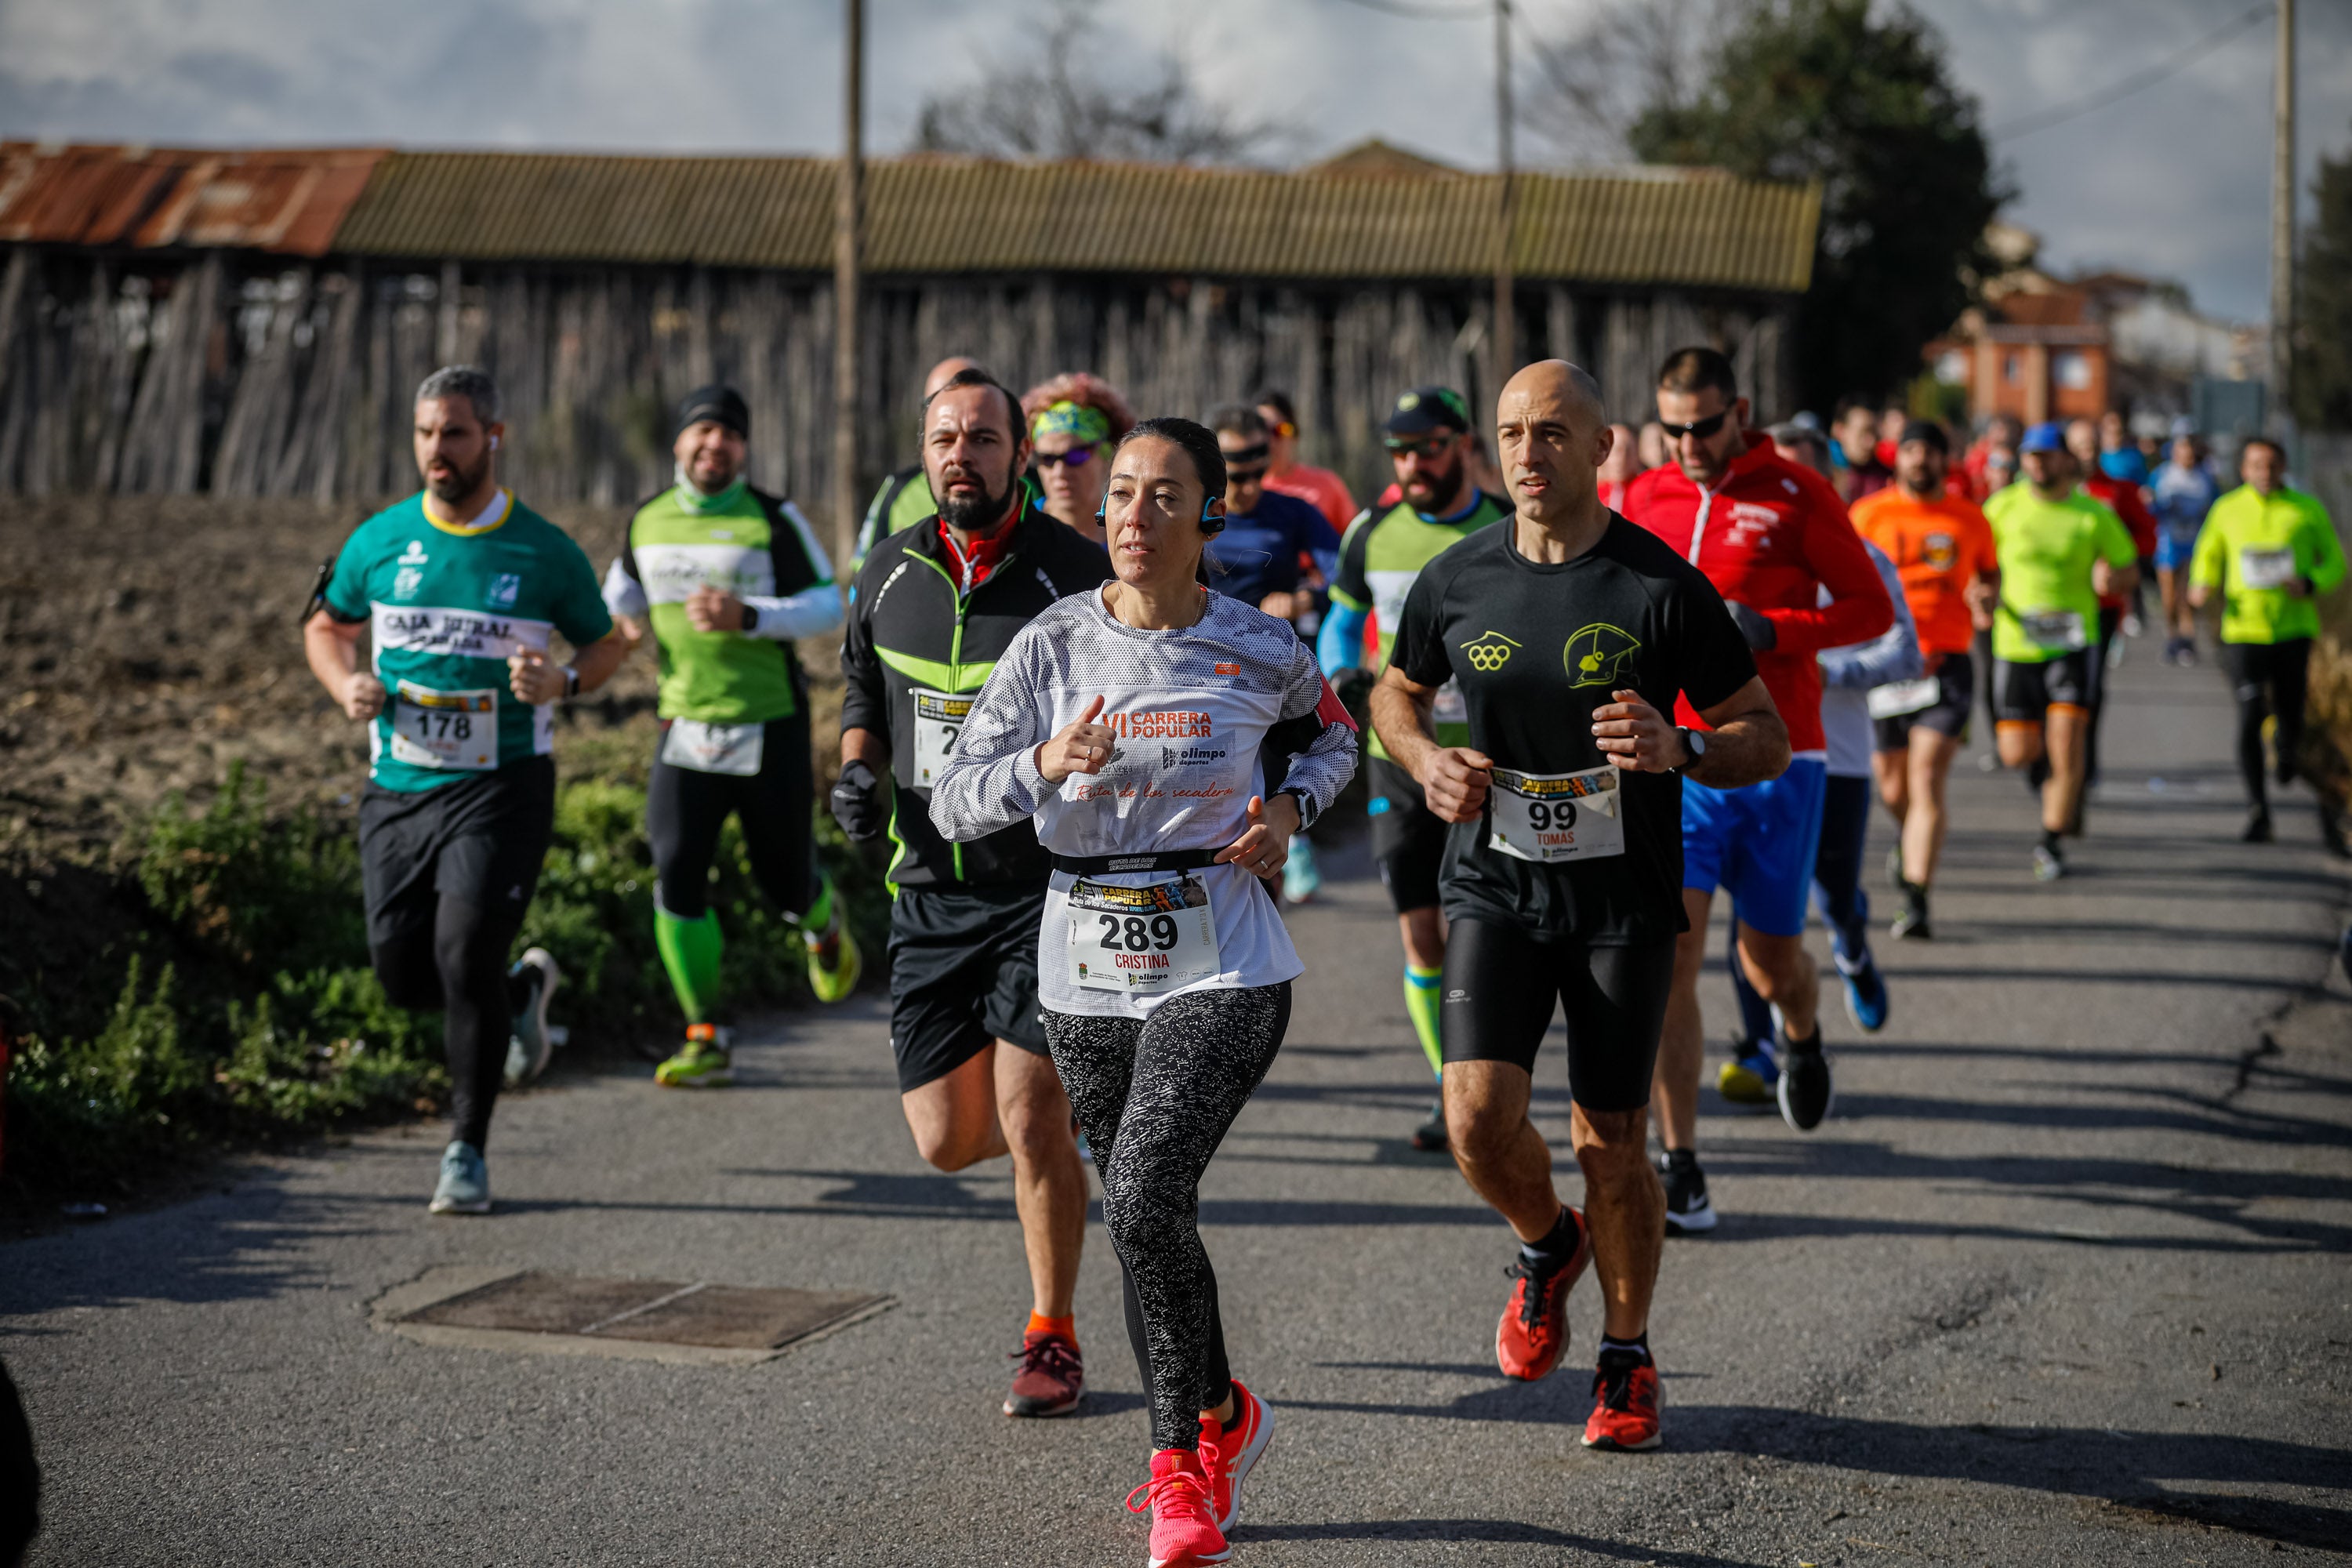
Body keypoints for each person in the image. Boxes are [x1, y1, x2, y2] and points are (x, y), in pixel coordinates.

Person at [931, 416, 1356, 1568]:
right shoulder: (1051, 646)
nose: (1132, 517)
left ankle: (1180, 1474)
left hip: (1221, 951)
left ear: (1207, 515)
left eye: (1164, 497)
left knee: (1149, 1183)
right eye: (1120, 495)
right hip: (1083, 960)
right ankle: (1225, 1408)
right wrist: (1041, 767)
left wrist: (1287, 812)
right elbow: (954, 799)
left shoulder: (1259, 646)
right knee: (1143, 1216)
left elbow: (1337, 743)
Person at [1371, 360, 1787, 1454]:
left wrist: (1683, 745)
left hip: (1621, 903)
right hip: (1497, 883)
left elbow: (1765, 731)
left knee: (1612, 1141)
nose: (1527, 453)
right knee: (1472, 1119)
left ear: (1603, 449)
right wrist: (1423, 759)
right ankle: (1546, 1242)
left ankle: (1626, 1354)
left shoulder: (1659, 586)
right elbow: (1393, 692)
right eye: (1511, 433)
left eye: (1553, 433)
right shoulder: (1455, 578)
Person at [834, 366, 1108, 1418]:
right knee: (947, 1141)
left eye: (984, 439)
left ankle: (1052, 1335)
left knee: (1032, 1117)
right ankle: (1066, 1126)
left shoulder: (1074, 577)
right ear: (923, 452)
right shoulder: (888, 570)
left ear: (1019, 451)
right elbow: (865, 686)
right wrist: (859, 767)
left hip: (1044, 888)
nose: (964, 456)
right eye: (946, 439)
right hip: (929, 888)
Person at [303, 365, 626, 1214]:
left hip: (503, 785)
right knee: (402, 974)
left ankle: (465, 1150)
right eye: (424, 434)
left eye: (453, 432)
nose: (436, 450)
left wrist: (562, 680)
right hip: (399, 785)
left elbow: (607, 643)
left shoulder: (544, 550)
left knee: (463, 951)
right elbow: (326, 624)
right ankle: (520, 994)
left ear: (493, 436)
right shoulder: (379, 541)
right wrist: (346, 686)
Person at [1623, 347, 1893, 1231]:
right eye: (1675, 428)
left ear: (1739, 411)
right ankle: (1683, 1161)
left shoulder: (1795, 493)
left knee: (1767, 961)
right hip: (1676, 759)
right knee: (1672, 962)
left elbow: (1869, 608)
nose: (1691, 444)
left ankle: (1802, 1031)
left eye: (1706, 425)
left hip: (1782, 756)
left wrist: (1774, 627)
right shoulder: (1649, 496)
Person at [602, 385, 857, 1090]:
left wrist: (748, 616)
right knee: (677, 870)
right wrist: (611, 636)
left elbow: (827, 606)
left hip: (769, 720)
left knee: (781, 880)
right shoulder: (647, 520)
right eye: (702, 431)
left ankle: (822, 920)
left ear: (743, 450)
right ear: (680, 443)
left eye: (730, 436)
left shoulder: (771, 518)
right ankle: (704, 1031)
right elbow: (619, 601)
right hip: (683, 722)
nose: (715, 445)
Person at [1318, 386, 1512, 1150]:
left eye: (1427, 447)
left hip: (1493, 759)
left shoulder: (1505, 524)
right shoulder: (1373, 529)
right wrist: (1344, 675)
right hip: (1397, 756)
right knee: (1422, 932)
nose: (1411, 464)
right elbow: (1341, 614)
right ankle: (1450, 1085)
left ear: (1463, 444)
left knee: (1485, 930)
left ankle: (1495, 1072)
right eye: (1400, 451)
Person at [1721, 536, 1918, 1087]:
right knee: (1748, 901)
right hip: (1755, 751)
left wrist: (1826, 671)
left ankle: (1851, 949)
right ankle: (1758, 1044)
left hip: (1836, 756)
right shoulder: (1734, 552)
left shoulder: (1861, 559)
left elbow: (1908, 654)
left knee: (1833, 893)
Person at [1852, 420, 1999, 940]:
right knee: (1893, 786)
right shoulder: (1869, 515)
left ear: (1945, 461)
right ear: (1898, 460)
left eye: (1930, 453)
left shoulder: (1968, 517)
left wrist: (1986, 597)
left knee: (1927, 776)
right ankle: (1910, 839)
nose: (1920, 461)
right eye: (1911, 451)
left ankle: (1916, 898)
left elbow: (1989, 573)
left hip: (1946, 663)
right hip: (1885, 667)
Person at [1982, 423, 2139, 881]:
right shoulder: (2002, 507)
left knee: (2068, 743)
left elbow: (2128, 567)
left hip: (2073, 641)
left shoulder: (2092, 513)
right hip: (2015, 643)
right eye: (2030, 455)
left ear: (2066, 461)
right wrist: (1981, 594)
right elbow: (1978, 562)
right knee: (2016, 751)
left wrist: (2115, 581)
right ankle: (2053, 783)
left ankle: (2051, 841)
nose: (2037, 463)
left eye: (2047, 455)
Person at [2190, 437, 2347, 842]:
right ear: (2243, 469)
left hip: (2293, 629)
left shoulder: (2305, 509)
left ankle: (2288, 748)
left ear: (2283, 468)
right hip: (2243, 630)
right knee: (2248, 715)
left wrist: (2310, 583)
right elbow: (2208, 553)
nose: (2264, 472)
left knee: (2290, 714)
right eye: (2256, 465)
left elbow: (2334, 562)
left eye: (2271, 465)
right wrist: (2202, 584)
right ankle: (2258, 809)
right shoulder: (2227, 509)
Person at [2065, 417, 2158, 793]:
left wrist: (2118, 565)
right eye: (2078, 446)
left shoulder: (2118, 490)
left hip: (2100, 605)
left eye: (2093, 445)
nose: (2086, 453)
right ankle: (2051, 756)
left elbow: (2147, 537)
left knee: (2089, 684)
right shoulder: (2038, 492)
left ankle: (2086, 762)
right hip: (2048, 605)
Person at [851, 354, 989, 568]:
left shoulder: (1029, 484)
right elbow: (864, 577)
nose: (950, 412)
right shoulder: (898, 489)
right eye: (933, 402)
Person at [1024, 371, 1138, 547]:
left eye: (1076, 456)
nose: (1060, 472)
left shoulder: (1133, 533)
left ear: (1109, 454)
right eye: (1047, 458)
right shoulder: (1017, 529)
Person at [2149, 426, 2220, 664]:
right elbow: (2150, 507)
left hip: (2194, 542)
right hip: (2168, 542)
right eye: (2181, 451)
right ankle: (2171, 637)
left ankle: (2187, 642)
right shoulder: (2162, 475)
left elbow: (2216, 510)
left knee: (2186, 595)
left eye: (2190, 452)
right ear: (2174, 452)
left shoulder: (2205, 479)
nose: (2186, 456)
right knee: (2169, 596)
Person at [1255, 387, 1356, 532]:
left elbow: (1354, 539)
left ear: (1295, 434)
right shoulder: (1246, 490)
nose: (1271, 441)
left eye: (1279, 430)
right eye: (1263, 430)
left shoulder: (1327, 484)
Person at [1833, 401, 1893, 503]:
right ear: (1840, 431)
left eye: (1875, 434)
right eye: (1863, 433)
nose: (1871, 442)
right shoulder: (1823, 476)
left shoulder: (1889, 481)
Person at [1962, 414, 2024, 502]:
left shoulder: (2011, 456)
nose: (1996, 434)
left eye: (2001, 430)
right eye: (1995, 429)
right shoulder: (1977, 453)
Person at [2096, 409, 2149, 487]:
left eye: (2117, 432)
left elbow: (2143, 484)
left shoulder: (2134, 457)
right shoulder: (2095, 457)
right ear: (2101, 431)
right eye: (2109, 432)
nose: (2113, 437)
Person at [1597, 421, 1642, 509]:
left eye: (1628, 451)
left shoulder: (1645, 492)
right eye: (1616, 451)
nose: (1621, 458)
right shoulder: (1591, 495)